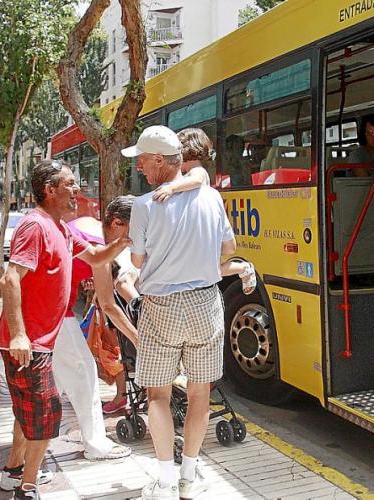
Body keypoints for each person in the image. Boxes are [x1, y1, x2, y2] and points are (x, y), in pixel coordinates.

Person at [0, 160, 131, 500]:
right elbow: (10, 279)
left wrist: (124, 240)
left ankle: (14, 472)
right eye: (69, 184)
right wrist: (19, 334)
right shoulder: (36, 226)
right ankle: (27, 488)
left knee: (28, 412)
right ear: (49, 190)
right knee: (46, 415)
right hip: (30, 342)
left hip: (40, 340)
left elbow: (97, 257)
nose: (77, 190)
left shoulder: (61, 228)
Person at [122, 125, 237, 500]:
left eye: (142, 160)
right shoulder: (212, 198)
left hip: (162, 306)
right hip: (205, 302)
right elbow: (229, 249)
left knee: (158, 395)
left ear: (159, 160)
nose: (139, 167)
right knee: (200, 393)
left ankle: (165, 481)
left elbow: (137, 260)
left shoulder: (144, 205)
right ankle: (189, 477)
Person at [51, 206, 138, 461]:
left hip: (47, 311)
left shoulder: (88, 224)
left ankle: (31, 448)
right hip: (56, 313)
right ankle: (96, 444)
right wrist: (137, 337)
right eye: (135, 230)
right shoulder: (100, 246)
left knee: (52, 384)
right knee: (84, 373)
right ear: (117, 223)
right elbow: (109, 303)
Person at [153, 128, 256, 294]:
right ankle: (242, 268)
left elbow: (196, 181)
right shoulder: (190, 173)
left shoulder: (198, 172)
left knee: (211, 270)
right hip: (198, 229)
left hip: (201, 229)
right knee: (208, 270)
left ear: (186, 151)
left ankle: (243, 267)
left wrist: (171, 188)